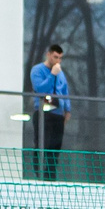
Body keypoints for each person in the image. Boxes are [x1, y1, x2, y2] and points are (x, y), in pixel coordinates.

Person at [29, 43, 71, 180]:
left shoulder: (61, 74)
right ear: (48, 55)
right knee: (42, 144)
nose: (58, 61)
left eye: (60, 58)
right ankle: (40, 174)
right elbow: (40, 89)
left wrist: (67, 110)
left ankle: (51, 177)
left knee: (55, 147)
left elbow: (64, 91)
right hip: (43, 113)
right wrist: (52, 75)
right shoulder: (37, 70)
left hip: (58, 114)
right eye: (55, 57)